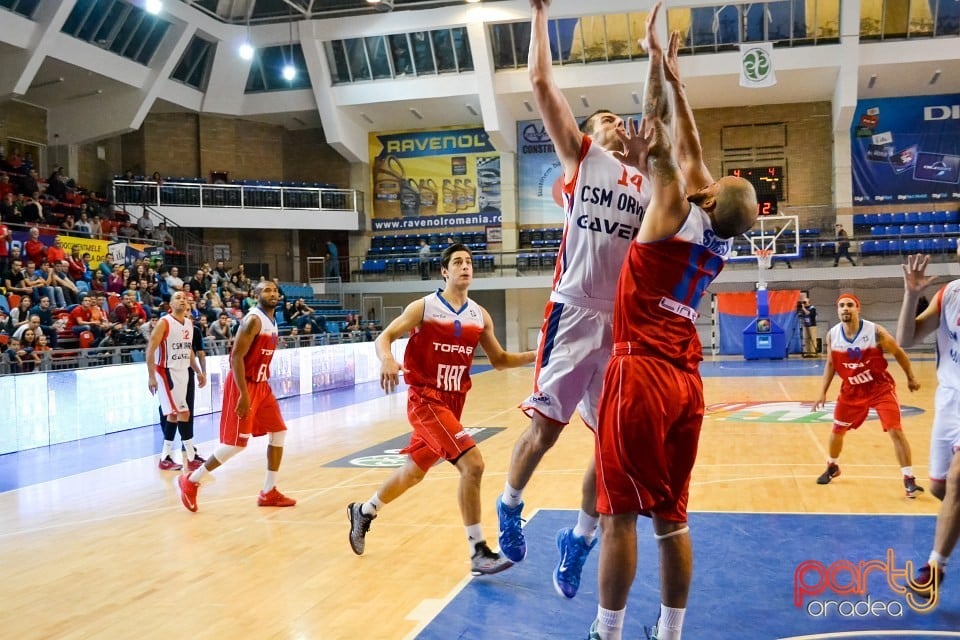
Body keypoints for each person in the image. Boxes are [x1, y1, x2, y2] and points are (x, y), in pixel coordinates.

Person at [497, 0, 705, 602]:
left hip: (625, 329)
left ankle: (580, 540)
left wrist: (657, 64)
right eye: (607, 117)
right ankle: (511, 505)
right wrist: (539, 15)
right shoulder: (583, 159)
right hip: (573, 310)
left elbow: (659, 117)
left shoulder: (650, 186)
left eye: (622, 117)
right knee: (546, 430)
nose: (619, 122)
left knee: (607, 448)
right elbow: (540, 83)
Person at [587, 5, 758, 638]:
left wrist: (654, 60)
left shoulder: (668, 208)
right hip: (687, 383)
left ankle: (607, 631)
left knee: (619, 518)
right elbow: (690, 147)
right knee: (672, 519)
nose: (709, 174)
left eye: (719, 178)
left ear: (710, 196)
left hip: (642, 376)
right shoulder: (720, 239)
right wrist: (681, 81)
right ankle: (671, 631)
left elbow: (657, 133)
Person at [346, 244, 535, 575]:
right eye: (458, 262)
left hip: (453, 403)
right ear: (445, 272)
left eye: (469, 262)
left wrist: (539, 354)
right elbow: (385, 337)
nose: (465, 267)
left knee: (413, 472)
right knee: (473, 465)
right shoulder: (425, 307)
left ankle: (364, 510)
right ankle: (477, 550)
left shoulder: (479, 315)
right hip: (425, 399)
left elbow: (501, 361)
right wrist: (388, 359)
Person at [177, 280, 296, 511]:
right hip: (244, 385)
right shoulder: (253, 320)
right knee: (236, 444)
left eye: (274, 290)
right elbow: (235, 358)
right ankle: (191, 480)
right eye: (266, 290)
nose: (272, 293)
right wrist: (243, 394)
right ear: (256, 295)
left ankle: (269, 491)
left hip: (262, 385)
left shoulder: (272, 320)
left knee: (279, 431)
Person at [812, 293, 923, 498]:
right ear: (838, 310)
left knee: (895, 431)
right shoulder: (832, 335)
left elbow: (898, 352)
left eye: (850, 305)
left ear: (857, 308)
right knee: (837, 430)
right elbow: (830, 364)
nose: (845, 308)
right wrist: (822, 392)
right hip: (851, 389)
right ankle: (832, 466)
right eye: (842, 306)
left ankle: (909, 479)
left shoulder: (875, 332)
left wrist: (910, 377)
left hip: (879, 387)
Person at [897, 250, 960, 597]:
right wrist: (911, 294)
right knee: (941, 489)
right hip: (951, 401)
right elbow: (907, 338)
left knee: (958, 478)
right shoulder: (949, 294)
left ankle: (935, 567)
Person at [146, 291, 204, 471]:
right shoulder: (164, 322)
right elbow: (150, 350)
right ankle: (191, 458)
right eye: (178, 298)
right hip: (166, 372)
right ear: (170, 304)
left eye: (184, 298)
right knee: (183, 413)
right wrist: (151, 376)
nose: (182, 300)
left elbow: (189, 351)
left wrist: (198, 371)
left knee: (173, 415)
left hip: (183, 371)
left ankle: (166, 458)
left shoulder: (189, 324)